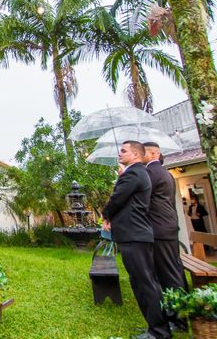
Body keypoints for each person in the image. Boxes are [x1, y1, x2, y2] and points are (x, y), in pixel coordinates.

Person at [102, 141, 170, 339]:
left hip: (134, 235)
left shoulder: (133, 173)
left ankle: (159, 331)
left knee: (144, 284)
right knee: (144, 282)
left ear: (136, 155)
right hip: (137, 235)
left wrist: (106, 215)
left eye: (123, 151)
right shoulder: (137, 174)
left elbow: (117, 198)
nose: (119, 153)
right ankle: (155, 327)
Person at [143, 142, 188, 332]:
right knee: (172, 270)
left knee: (168, 273)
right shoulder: (165, 173)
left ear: (154, 153)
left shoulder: (152, 173)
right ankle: (182, 311)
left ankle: (178, 318)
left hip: (160, 229)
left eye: (143, 152)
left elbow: (139, 196)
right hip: (166, 227)